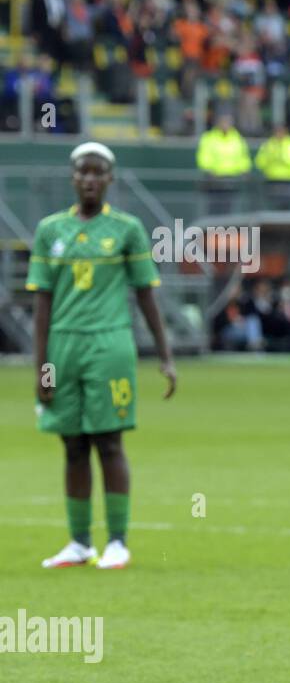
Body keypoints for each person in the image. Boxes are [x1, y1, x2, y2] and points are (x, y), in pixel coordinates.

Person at [26, 142, 177, 570]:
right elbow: (42, 305)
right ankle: (78, 543)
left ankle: (117, 541)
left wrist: (164, 356)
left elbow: (146, 296)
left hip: (110, 346)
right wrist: (43, 368)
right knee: (72, 444)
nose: (90, 180)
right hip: (63, 346)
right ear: (72, 178)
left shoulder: (127, 229)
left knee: (108, 441)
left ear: (110, 179)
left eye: (98, 173)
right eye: (82, 172)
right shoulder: (49, 231)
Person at [196, 112, 251, 216]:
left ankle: (228, 231)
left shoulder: (238, 138)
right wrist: (209, 170)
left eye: (228, 121)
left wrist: (244, 170)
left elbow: (243, 157)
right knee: (213, 209)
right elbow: (204, 156)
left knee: (230, 209)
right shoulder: (209, 137)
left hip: (232, 179)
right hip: (214, 180)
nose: (225, 124)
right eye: (223, 121)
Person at [254, 122, 290, 210]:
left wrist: (279, 157)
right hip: (272, 180)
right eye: (277, 131)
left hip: (289, 180)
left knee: (287, 207)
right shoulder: (268, 145)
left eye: (281, 131)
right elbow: (259, 162)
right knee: (273, 206)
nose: (279, 133)